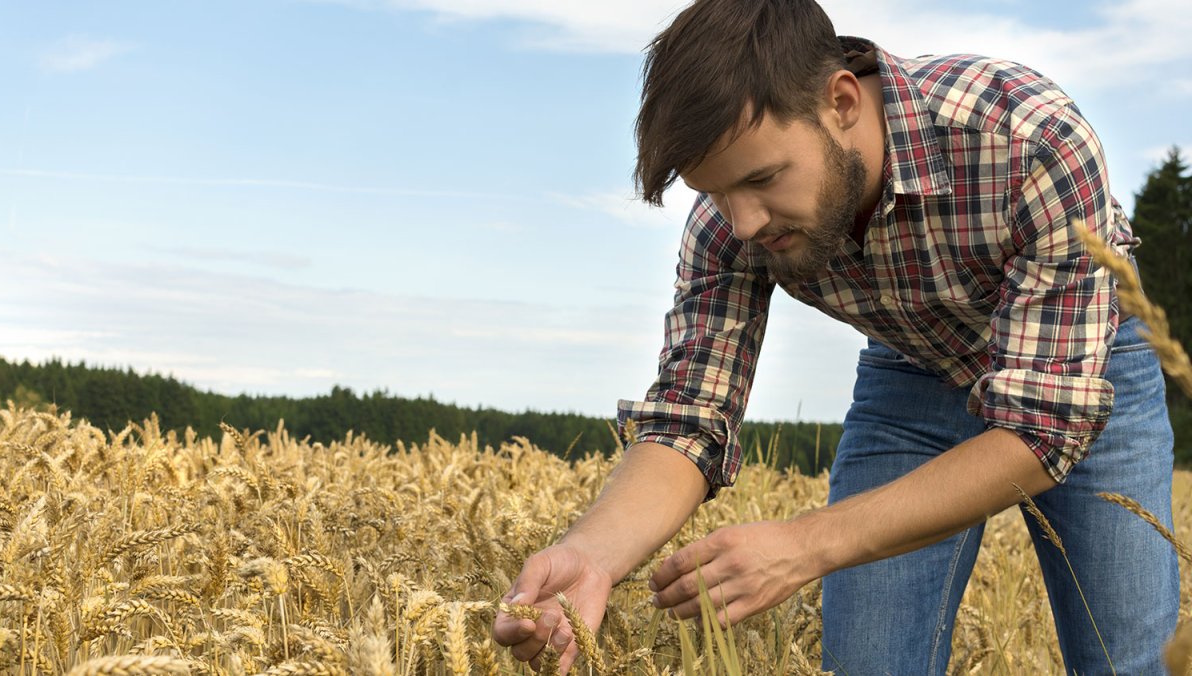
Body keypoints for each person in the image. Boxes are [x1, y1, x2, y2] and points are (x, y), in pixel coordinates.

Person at [491, 0, 1179, 673]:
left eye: (763, 179)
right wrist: (593, 554)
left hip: (1085, 368)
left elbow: (1041, 427)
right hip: (913, 371)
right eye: (716, 193)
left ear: (842, 101)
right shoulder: (730, 224)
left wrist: (804, 544)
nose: (745, 222)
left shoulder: (1028, 137)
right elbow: (689, 420)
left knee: (1131, 659)